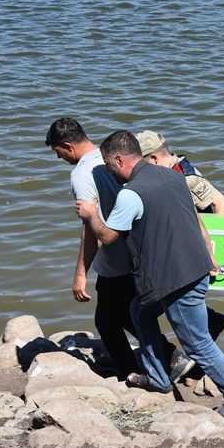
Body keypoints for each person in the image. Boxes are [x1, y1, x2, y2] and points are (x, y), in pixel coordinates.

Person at [75, 131, 224, 421]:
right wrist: (209, 254)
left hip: (176, 280)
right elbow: (196, 220)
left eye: (107, 165)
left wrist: (91, 214)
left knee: (197, 342)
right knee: (139, 312)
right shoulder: (172, 176)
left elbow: (107, 237)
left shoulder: (130, 194)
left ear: (119, 159)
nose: (108, 171)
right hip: (191, 267)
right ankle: (158, 378)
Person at [45, 117, 139, 380]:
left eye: (58, 152)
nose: (59, 158)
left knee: (108, 321)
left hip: (115, 259)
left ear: (68, 146)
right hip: (137, 252)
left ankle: (137, 370)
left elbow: (90, 230)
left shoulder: (81, 174)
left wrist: (80, 274)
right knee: (124, 314)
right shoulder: (112, 157)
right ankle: (152, 362)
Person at [135, 130, 224, 375]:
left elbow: (222, 203)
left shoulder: (185, 176)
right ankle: (209, 328)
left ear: (154, 158)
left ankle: (194, 356)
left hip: (194, 251)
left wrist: (210, 248)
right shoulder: (170, 173)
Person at [136, 130, 224, 214]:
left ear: (154, 158)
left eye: (142, 163)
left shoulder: (187, 177)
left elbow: (222, 203)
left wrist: (213, 229)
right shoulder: (164, 172)